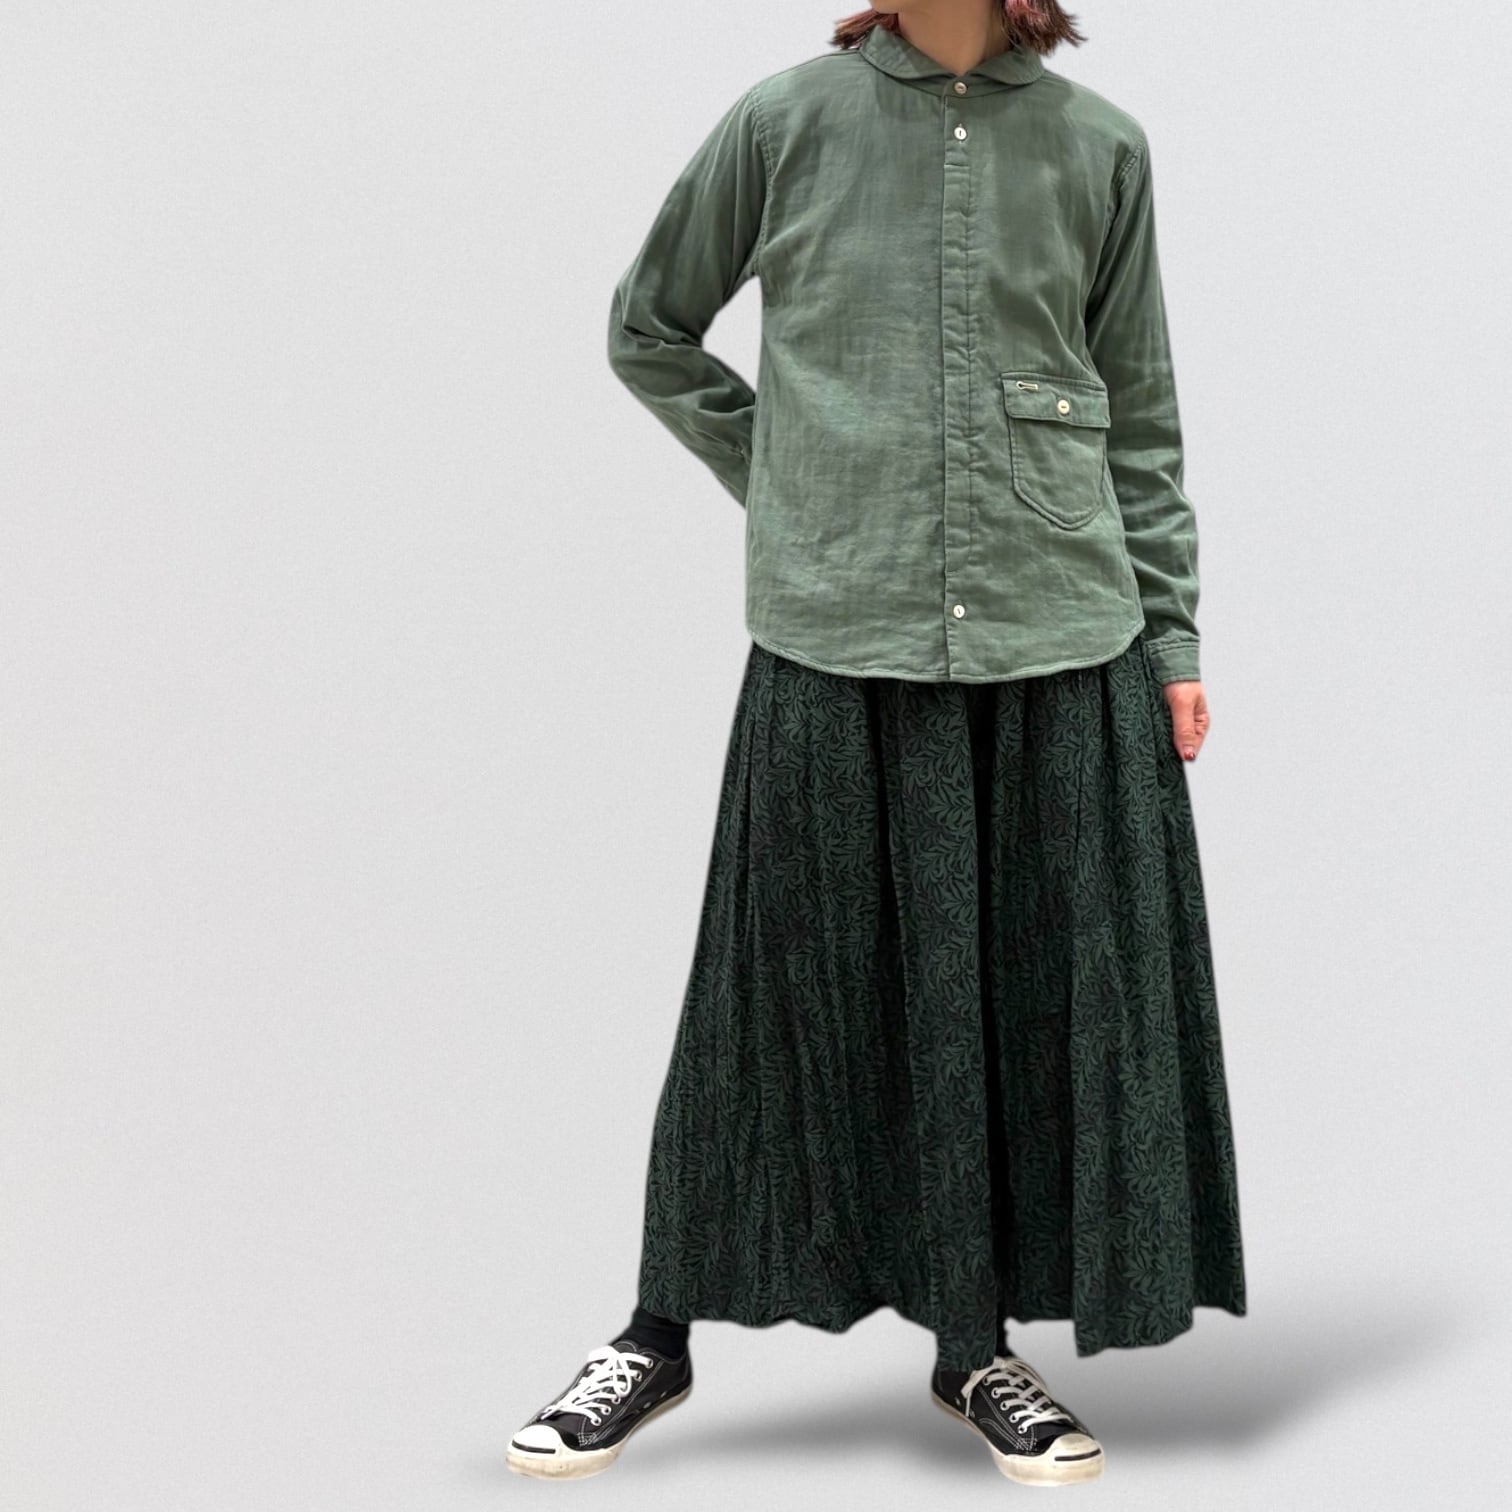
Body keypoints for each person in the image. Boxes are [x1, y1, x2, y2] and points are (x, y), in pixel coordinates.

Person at [507, 0, 1247, 1486]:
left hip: (1060, 631)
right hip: (838, 625)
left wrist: (1172, 635)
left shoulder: (1101, 148)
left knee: (1011, 1004)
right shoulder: (785, 121)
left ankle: (977, 1349)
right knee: (769, 990)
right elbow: (649, 325)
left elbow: (1140, 413)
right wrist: (786, 474)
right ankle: (658, 1333)